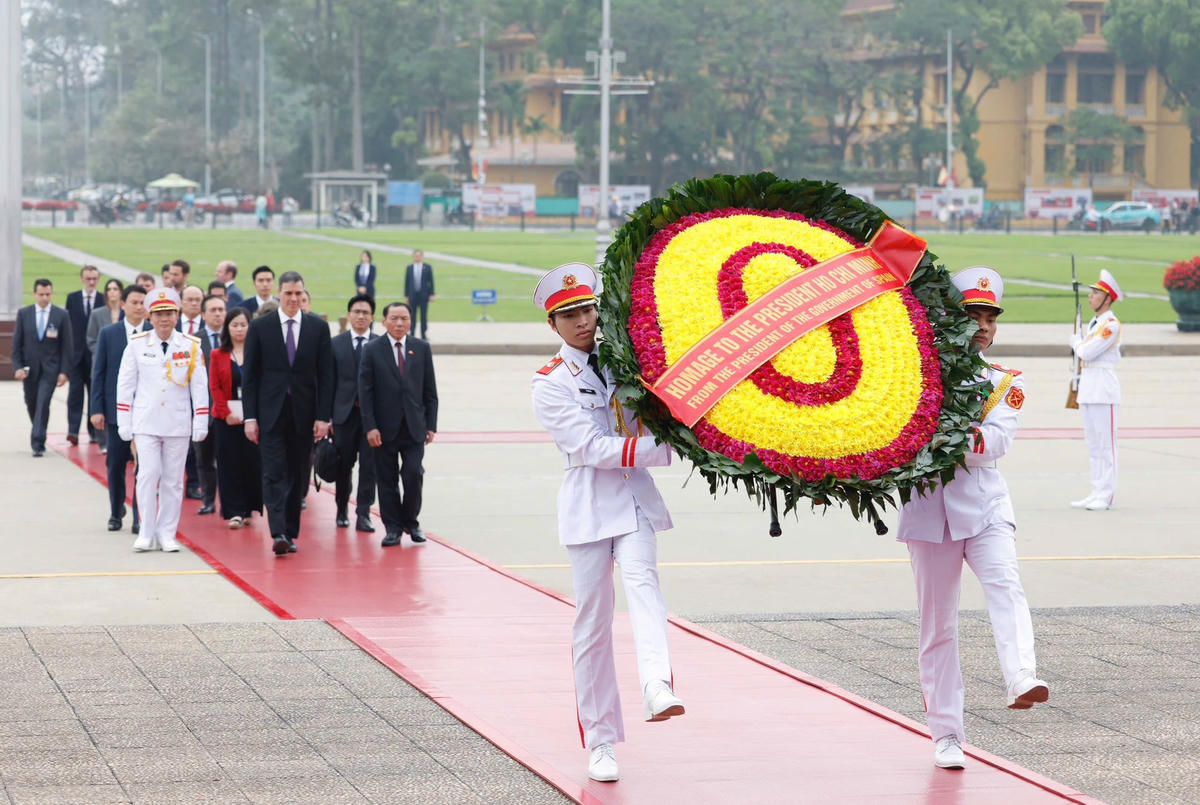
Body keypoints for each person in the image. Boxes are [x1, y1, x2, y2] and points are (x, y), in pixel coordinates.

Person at [529, 263, 683, 783]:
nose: (581, 322)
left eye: (587, 310)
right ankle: (600, 741)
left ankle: (657, 684)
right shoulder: (549, 383)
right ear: (554, 326)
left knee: (644, 585)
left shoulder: (624, 361)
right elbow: (590, 448)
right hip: (590, 503)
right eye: (568, 315)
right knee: (592, 625)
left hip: (634, 497)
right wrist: (660, 448)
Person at [898, 266, 1048, 771]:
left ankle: (1022, 676)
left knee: (1006, 586)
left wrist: (937, 434)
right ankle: (946, 735)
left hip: (984, 507)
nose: (982, 325)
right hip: (928, 514)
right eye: (972, 315)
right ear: (950, 320)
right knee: (937, 627)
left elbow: (994, 444)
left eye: (990, 317)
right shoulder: (913, 372)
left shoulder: (1004, 382)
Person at [242, 270, 333, 556]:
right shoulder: (261, 327)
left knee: (297, 474)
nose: (293, 299)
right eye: (288, 293)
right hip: (270, 413)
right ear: (279, 293)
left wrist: (323, 417)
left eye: (298, 294)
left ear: (304, 295)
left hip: (305, 416)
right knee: (273, 472)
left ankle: (290, 531)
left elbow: (326, 376)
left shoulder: (317, 328)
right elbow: (251, 377)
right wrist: (250, 417)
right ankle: (278, 530)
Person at [116, 288, 209, 552]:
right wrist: (125, 421)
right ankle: (146, 531)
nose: (164, 319)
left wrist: (200, 421)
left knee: (173, 479)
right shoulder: (137, 344)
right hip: (146, 422)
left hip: (177, 423)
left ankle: (167, 532)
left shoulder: (191, 346)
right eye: (158, 314)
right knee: (147, 474)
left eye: (169, 313)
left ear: (177, 314)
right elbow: (125, 385)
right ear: (149, 316)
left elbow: (199, 387)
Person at [359, 302, 437, 547]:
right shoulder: (372, 349)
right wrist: (370, 426)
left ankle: (411, 522)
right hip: (383, 429)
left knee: (414, 474)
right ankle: (392, 528)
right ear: (383, 321)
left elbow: (429, 390)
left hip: (414, 427)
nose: (399, 323)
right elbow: (366, 393)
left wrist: (431, 424)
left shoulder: (421, 348)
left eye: (404, 318)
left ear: (410, 321)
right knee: (387, 480)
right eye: (394, 318)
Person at [90, 285, 151, 532]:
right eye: (135, 302)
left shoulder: (153, 333)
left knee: (144, 466)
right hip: (117, 413)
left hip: (146, 414)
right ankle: (116, 510)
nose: (139, 307)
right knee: (115, 464)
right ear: (123, 304)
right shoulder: (109, 333)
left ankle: (139, 515)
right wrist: (96, 409)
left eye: (143, 303)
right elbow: (99, 373)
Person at [1069, 269, 1123, 511]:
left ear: (1107, 298)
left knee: (1106, 445)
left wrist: (1077, 342)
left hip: (1104, 387)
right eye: (1091, 293)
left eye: (1096, 294)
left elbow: (1087, 352)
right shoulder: (1096, 323)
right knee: (1093, 444)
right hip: (1090, 385)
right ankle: (1096, 491)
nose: (1091, 297)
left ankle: (1106, 494)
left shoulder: (1110, 325)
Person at [209, 307, 263, 529]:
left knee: (252, 463)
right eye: (235, 325)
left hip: (252, 419)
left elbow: (263, 386)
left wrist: (255, 415)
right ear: (227, 328)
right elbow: (215, 387)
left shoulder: (258, 353)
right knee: (229, 464)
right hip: (227, 419)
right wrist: (225, 413)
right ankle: (233, 511)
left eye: (243, 324)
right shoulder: (217, 354)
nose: (239, 329)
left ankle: (249, 507)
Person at [332, 294, 379, 533]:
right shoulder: (335, 344)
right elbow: (327, 383)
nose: (361, 316)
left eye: (365, 313)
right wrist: (326, 417)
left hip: (371, 419)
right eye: (356, 312)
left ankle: (364, 514)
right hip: (343, 416)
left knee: (369, 467)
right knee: (344, 466)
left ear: (372, 317)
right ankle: (341, 508)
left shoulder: (381, 344)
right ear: (349, 315)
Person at [12, 278, 73, 457]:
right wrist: (17, 366)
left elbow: (67, 346)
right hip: (29, 370)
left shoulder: (61, 315)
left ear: (51, 293)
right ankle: (39, 429)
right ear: (34, 294)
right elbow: (17, 344)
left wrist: (64, 371)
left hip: (51, 370)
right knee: (32, 403)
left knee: (43, 401)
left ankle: (37, 441)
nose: (45, 298)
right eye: (41, 295)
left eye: (48, 294)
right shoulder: (24, 314)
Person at [194, 294, 227, 515]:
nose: (217, 314)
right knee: (204, 459)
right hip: (203, 410)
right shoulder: (194, 341)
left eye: (221, 310)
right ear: (203, 314)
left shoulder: (233, 339)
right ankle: (208, 499)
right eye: (213, 310)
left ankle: (230, 502)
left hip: (227, 410)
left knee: (228, 460)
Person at [65, 264, 101, 447]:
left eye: (94, 279)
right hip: (76, 357)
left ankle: (93, 431)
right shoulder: (72, 299)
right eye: (88, 278)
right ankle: (73, 431)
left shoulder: (102, 299)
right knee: (75, 395)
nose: (91, 282)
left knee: (94, 395)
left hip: (95, 357)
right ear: (82, 279)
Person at [86, 278, 124, 360]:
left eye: (115, 289)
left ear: (121, 292)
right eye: (109, 289)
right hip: (102, 359)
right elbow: (91, 339)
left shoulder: (127, 313)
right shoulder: (96, 314)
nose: (112, 291)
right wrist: (102, 352)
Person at [403, 250, 435, 339]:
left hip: (423, 295)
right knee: (412, 315)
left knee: (423, 316)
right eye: (415, 256)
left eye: (419, 256)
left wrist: (431, 294)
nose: (417, 257)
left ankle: (423, 334)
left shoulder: (427, 267)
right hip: (412, 296)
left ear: (422, 257)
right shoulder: (409, 268)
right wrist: (406, 295)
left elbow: (431, 282)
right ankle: (412, 333)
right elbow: (407, 282)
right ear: (413, 257)